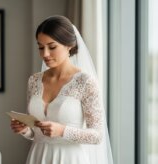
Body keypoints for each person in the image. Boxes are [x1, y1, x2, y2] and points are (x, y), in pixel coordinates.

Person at [10, 15, 113, 164]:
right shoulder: (34, 81)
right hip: (38, 156)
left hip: (70, 159)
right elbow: (36, 133)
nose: (45, 54)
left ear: (69, 45)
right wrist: (24, 130)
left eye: (52, 47)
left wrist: (62, 131)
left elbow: (97, 136)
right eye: (40, 47)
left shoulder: (85, 82)